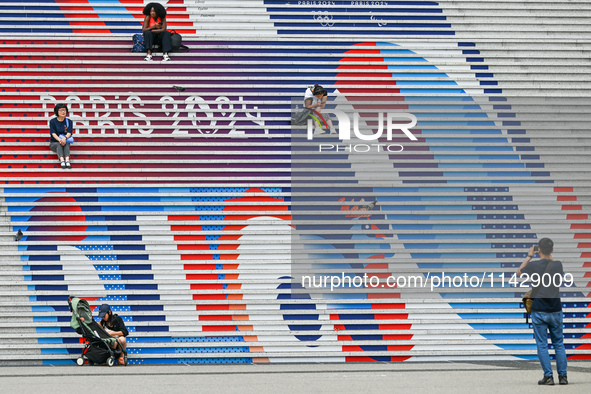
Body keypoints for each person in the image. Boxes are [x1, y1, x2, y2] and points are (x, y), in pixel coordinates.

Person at [517, 238, 567, 385]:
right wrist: (548, 253)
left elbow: (519, 272)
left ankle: (548, 376)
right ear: (552, 250)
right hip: (556, 309)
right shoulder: (558, 265)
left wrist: (529, 256)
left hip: (539, 310)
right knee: (559, 344)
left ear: (539, 250)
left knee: (542, 344)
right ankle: (563, 377)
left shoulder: (534, 265)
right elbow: (552, 262)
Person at [49, 103, 73, 169]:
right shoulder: (52, 121)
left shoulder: (69, 121)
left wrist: (64, 138)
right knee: (59, 144)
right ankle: (62, 160)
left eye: (64, 110)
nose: (63, 112)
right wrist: (60, 140)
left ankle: (67, 161)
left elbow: (69, 132)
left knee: (66, 143)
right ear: (57, 111)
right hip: (54, 142)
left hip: (65, 141)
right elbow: (53, 133)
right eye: (61, 110)